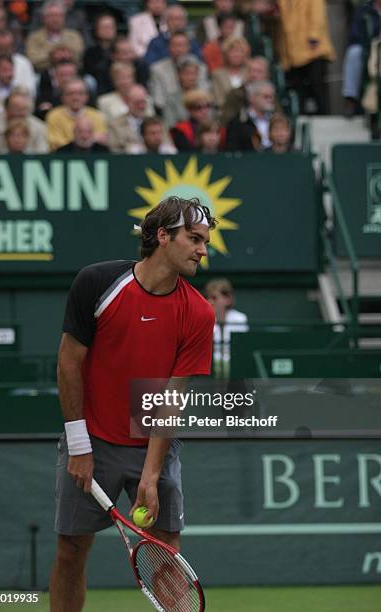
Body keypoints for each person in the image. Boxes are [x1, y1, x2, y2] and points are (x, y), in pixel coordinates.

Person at [49, 196, 216, 612]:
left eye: (206, 242)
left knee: (167, 555)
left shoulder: (199, 313)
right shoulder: (97, 283)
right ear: (163, 236)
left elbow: (171, 398)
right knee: (71, 550)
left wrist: (151, 474)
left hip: (153, 443)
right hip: (93, 440)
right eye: (194, 239)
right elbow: (69, 361)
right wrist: (79, 444)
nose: (203, 250)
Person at [204, 277, 248, 374]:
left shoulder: (240, 319)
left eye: (214, 298)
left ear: (228, 299)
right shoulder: (203, 321)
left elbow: (241, 351)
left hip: (235, 368)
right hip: (211, 370)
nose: (210, 301)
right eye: (208, 297)